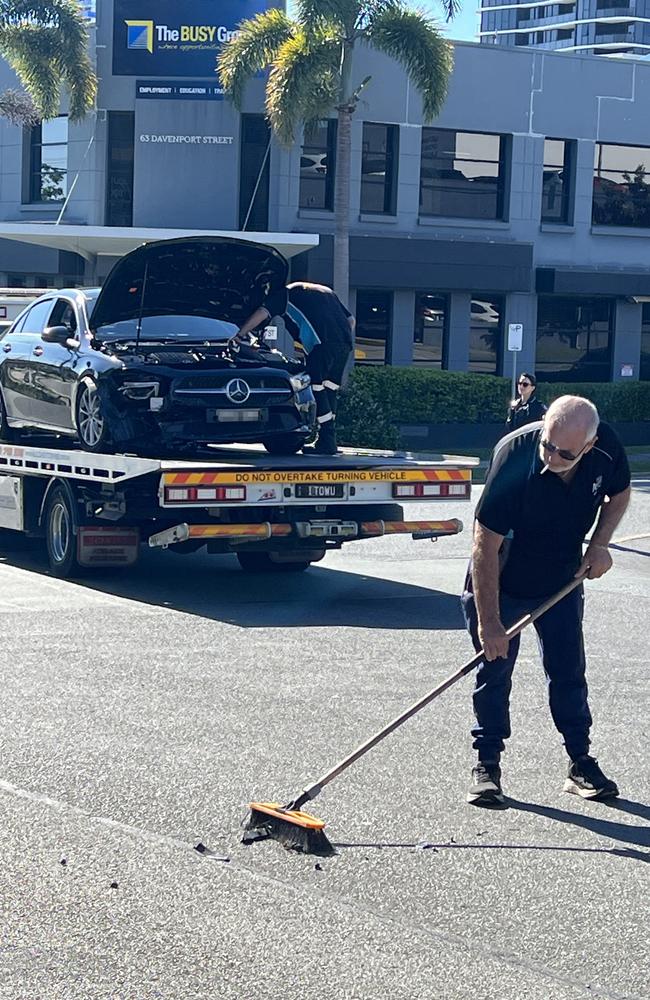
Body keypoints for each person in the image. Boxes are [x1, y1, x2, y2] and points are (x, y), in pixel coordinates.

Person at [462, 395, 631, 808]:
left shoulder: (606, 449)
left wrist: (600, 545)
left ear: (588, 446)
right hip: (502, 579)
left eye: (565, 453)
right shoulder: (514, 457)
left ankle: (580, 763)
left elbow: (620, 493)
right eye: (548, 446)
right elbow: (484, 545)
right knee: (494, 670)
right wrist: (491, 624)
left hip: (560, 580)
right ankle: (487, 765)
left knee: (567, 669)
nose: (552, 456)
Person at [282, 282, 355, 455]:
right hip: (344, 344)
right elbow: (351, 320)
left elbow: (263, 313)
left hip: (321, 346)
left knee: (316, 388)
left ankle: (328, 441)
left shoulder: (285, 295)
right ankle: (327, 439)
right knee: (330, 389)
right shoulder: (327, 292)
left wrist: (239, 335)